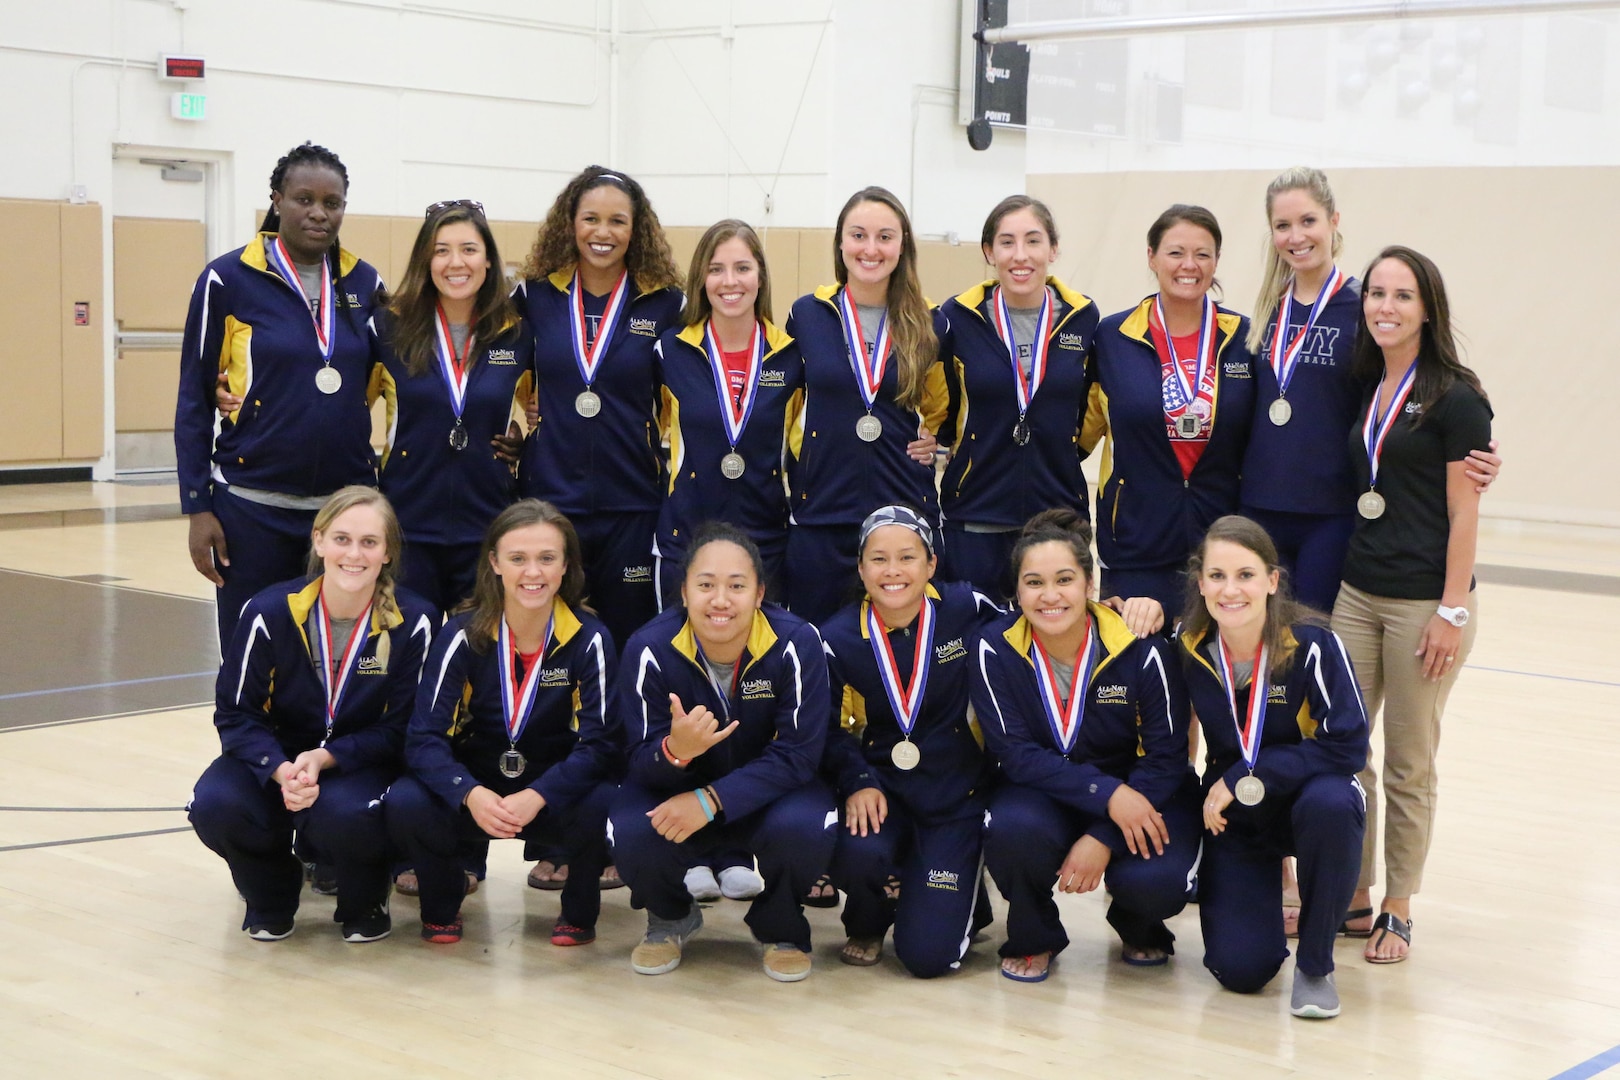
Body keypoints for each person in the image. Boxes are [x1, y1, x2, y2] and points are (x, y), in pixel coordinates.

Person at [1331, 246, 1491, 964]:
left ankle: (1399, 903)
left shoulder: (1458, 397)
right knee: (1345, 751)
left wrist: (1451, 611)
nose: (1385, 307)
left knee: (1409, 761)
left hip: (1426, 601)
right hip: (1357, 593)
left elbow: (1465, 514)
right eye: (1376, 294)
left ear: (1428, 307)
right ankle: (1355, 893)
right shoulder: (1364, 379)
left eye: (1402, 295)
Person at [188, 487, 435, 942]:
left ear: (388, 553)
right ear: (318, 542)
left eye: (369, 542)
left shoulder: (414, 621)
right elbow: (236, 715)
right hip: (279, 760)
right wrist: (280, 769)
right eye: (341, 539)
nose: (354, 554)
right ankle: (271, 894)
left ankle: (365, 899)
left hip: (360, 764)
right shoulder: (267, 612)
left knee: (345, 812)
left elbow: (406, 728)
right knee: (216, 804)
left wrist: (326, 759)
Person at [972, 509, 1198, 983]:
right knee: (1012, 831)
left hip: (1139, 790)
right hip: (1046, 790)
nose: (1050, 596)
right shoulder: (993, 647)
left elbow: (1167, 758)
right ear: (1016, 592)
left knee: (1157, 882)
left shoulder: (1142, 647)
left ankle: (1138, 921)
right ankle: (1035, 936)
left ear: (1090, 585)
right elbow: (1014, 753)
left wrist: (1104, 834)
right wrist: (1107, 798)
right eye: (1034, 583)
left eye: (1064, 580)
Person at [177, 143, 384, 647]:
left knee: (334, 660)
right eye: (303, 199)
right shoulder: (228, 279)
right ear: (276, 199)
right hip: (251, 509)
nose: (318, 213)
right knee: (253, 655)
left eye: (332, 203)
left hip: (342, 515)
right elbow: (194, 398)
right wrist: (197, 506)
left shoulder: (364, 281)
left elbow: (389, 381)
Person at [385, 500, 620, 945]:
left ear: (566, 564)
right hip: (477, 785)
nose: (533, 573)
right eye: (518, 559)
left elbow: (600, 744)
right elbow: (424, 739)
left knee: (604, 798)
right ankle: (442, 901)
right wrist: (468, 793)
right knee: (407, 799)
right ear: (494, 562)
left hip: (551, 789)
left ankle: (579, 912)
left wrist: (539, 794)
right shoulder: (460, 635)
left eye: (547, 558)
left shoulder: (591, 639)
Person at [608, 523, 835, 982]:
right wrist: (675, 753)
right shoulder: (648, 647)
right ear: (684, 592)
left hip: (767, 795)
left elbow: (799, 754)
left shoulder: (797, 641)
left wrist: (711, 799)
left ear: (760, 593)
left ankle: (781, 927)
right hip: (674, 791)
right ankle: (670, 917)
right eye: (706, 585)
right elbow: (633, 756)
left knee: (809, 826)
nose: (720, 600)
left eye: (736, 586)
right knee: (628, 829)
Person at [1179, 515, 1369, 1018]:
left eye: (1245, 574)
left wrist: (1250, 773)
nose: (1230, 589)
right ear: (1200, 583)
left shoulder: (1313, 645)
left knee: (1335, 801)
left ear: (1271, 580)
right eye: (1217, 576)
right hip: (1236, 816)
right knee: (1240, 971)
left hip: (1306, 798)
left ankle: (1315, 965)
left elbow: (1348, 746)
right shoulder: (1190, 646)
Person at [818, 505, 1001, 975]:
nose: (893, 571)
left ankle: (963, 898)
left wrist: (1114, 609)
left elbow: (1035, 630)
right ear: (861, 569)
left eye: (907, 557)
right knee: (859, 850)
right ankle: (868, 917)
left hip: (953, 796)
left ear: (931, 564)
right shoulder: (837, 638)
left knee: (927, 958)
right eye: (878, 559)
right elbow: (830, 730)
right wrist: (858, 779)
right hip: (881, 791)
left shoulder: (966, 608)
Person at [514, 166, 684, 651]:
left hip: (632, 502)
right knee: (551, 637)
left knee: (628, 636)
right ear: (570, 223)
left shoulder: (666, 304)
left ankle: (627, 729)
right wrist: (509, 424)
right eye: (591, 218)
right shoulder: (534, 297)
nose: (603, 233)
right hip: (551, 500)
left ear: (637, 229)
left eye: (617, 221)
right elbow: (495, 372)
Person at [782, 187, 949, 623]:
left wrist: (938, 441)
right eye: (858, 235)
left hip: (902, 512)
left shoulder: (933, 322)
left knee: (901, 651)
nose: (870, 249)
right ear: (840, 242)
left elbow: (946, 406)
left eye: (884, 237)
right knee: (819, 648)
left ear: (902, 245)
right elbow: (787, 406)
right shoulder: (808, 315)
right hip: (823, 512)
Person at [1086, 204, 1255, 619]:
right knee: (1138, 675)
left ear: (1216, 261)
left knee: (1214, 676)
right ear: (1151, 257)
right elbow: (1076, 428)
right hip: (1135, 543)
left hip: (1223, 548)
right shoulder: (1113, 336)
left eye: (1203, 254)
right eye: (1176, 252)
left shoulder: (1245, 338)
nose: (1189, 265)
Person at [368, 200, 531, 612]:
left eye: (469, 249)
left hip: (487, 528)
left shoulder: (518, 333)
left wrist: (527, 443)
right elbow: (340, 405)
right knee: (407, 656)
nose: (455, 262)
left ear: (489, 260)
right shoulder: (388, 328)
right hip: (407, 527)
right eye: (441, 250)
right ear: (426, 259)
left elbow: (556, 409)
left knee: (476, 658)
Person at [936, 196, 1099, 601]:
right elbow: (937, 399)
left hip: (1058, 517)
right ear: (989, 252)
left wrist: (1059, 453)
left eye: (1033, 241)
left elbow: (1090, 408)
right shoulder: (955, 318)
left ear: (1053, 249)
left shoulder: (1084, 318)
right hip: (976, 516)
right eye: (1006, 242)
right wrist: (932, 437)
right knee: (973, 641)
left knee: (1054, 633)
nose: (1020, 255)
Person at [652, 220, 799, 603]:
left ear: (761, 276)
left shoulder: (791, 357)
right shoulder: (671, 351)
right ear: (701, 278)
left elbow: (807, 441)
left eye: (742, 268)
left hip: (764, 539)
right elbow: (645, 428)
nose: (729, 281)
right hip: (685, 539)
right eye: (716, 269)